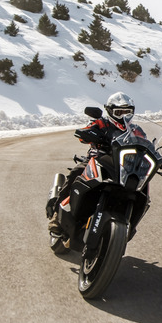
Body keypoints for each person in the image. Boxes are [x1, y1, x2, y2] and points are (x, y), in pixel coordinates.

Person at [48, 91, 136, 234]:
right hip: (97, 161)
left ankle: (128, 224)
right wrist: (89, 134)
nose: (123, 116)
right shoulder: (101, 123)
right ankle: (57, 216)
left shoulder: (135, 130)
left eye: (127, 113)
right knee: (76, 174)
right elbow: (86, 131)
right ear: (109, 111)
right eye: (119, 112)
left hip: (122, 168)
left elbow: (147, 144)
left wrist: (157, 155)